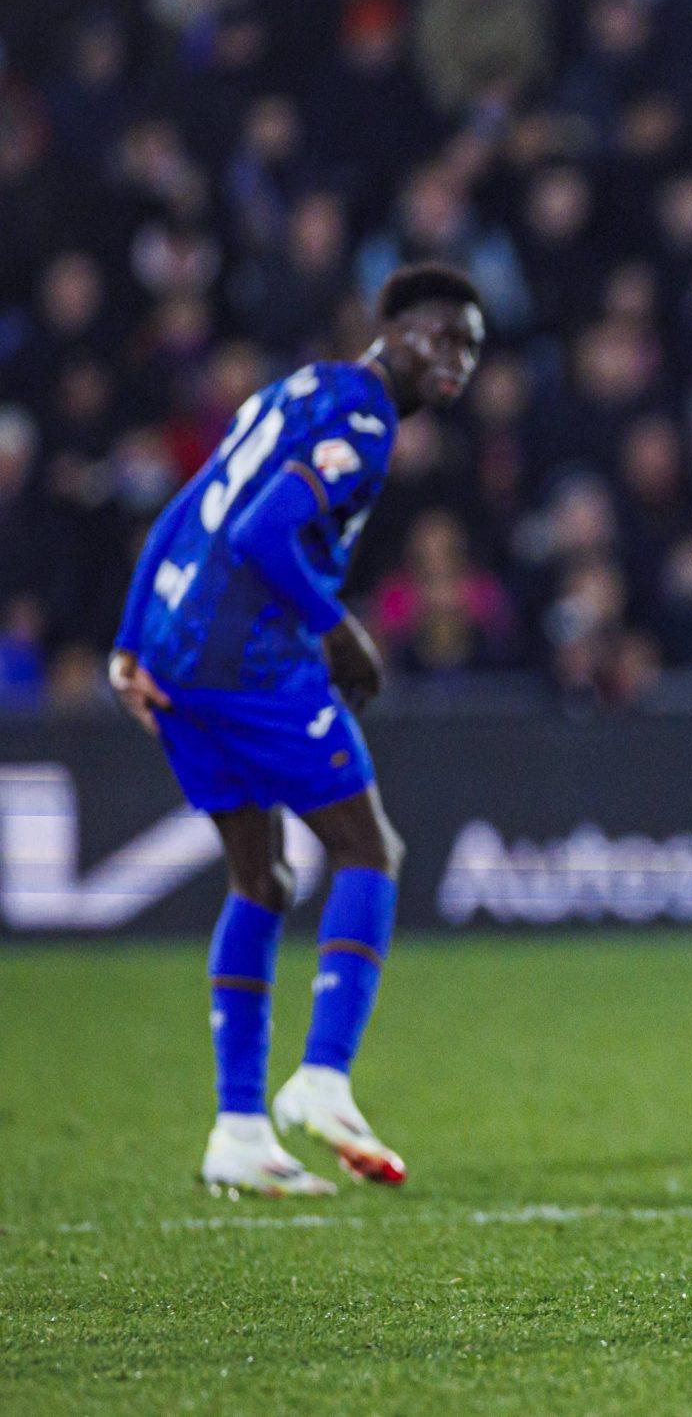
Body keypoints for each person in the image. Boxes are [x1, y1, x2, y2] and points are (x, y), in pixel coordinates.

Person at [108, 265, 487, 1197]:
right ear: (389, 329)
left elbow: (188, 509)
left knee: (263, 877)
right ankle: (322, 1080)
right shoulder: (363, 420)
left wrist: (127, 643)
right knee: (369, 850)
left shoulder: (299, 388)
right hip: (245, 655)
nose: (455, 360)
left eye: (470, 349)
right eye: (440, 335)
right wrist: (339, 627)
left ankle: (238, 1130)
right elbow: (261, 535)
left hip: (173, 647)